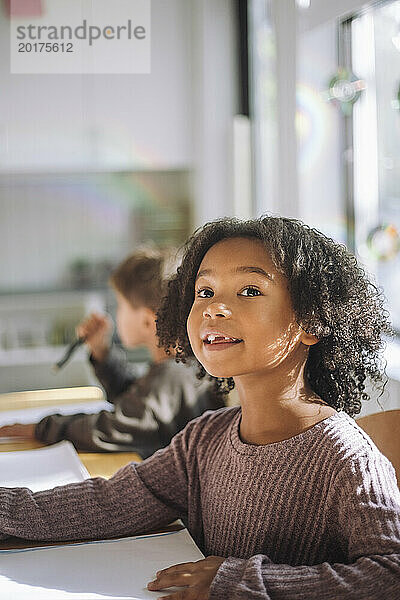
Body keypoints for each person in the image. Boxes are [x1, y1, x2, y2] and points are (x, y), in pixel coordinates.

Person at [1, 216, 400, 600]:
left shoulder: (348, 460)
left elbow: (390, 576)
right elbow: (109, 502)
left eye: (249, 291)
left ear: (311, 321)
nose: (214, 308)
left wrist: (244, 580)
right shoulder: (203, 439)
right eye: (205, 292)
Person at [0, 248, 224, 457]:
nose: (115, 314)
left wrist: (41, 428)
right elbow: (136, 401)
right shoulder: (181, 369)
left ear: (147, 322)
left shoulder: (172, 376)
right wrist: (102, 353)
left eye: (120, 305)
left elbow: (117, 427)